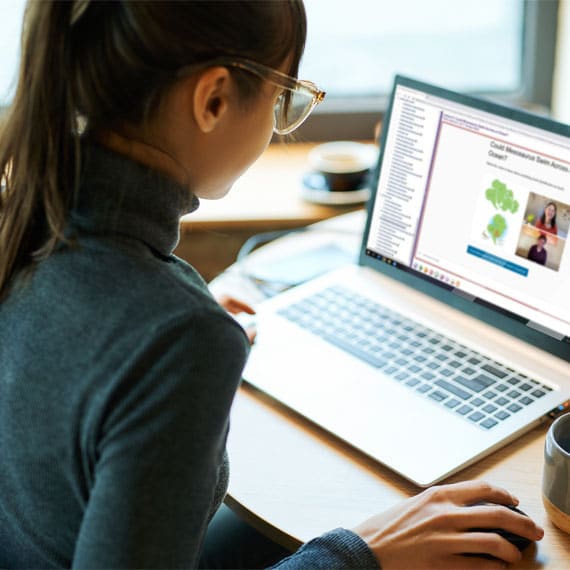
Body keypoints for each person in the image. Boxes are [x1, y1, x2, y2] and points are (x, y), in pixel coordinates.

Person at [0, 1, 543, 569]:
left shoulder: (27, 222)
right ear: (212, 100)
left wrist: (169, 325)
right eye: (285, 97)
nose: (282, 119)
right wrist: (362, 555)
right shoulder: (177, 337)